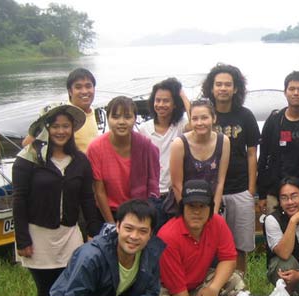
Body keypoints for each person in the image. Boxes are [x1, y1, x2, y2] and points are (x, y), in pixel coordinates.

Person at [13, 103, 101, 296]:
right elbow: (19, 200)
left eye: (66, 126)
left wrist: (94, 229)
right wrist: (22, 239)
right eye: (55, 126)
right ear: (46, 127)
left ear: (73, 130)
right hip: (37, 233)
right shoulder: (28, 159)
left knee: (72, 281)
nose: (61, 131)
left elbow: (87, 199)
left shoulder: (80, 161)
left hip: (69, 232)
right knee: (46, 287)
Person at [157, 179, 245, 296]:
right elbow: (177, 288)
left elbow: (228, 259)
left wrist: (214, 288)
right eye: (191, 206)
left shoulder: (217, 223)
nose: (197, 212)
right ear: (183, 208)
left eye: (202, 206)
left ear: (210, 208)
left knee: (235, 281)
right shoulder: (167, 236)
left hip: (198, 283)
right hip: (169, 289)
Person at [201, 63, 260, 274]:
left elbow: (252, 153)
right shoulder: (204, 116)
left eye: (228, 84)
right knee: (211, 244)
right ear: (211, 88)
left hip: (240, 189)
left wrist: (251, 190)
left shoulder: (245, 116)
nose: (223, 88)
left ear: (236, 88)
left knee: (240, 245)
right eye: (218, 84)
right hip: (210, 191)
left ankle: (241, 285)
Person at [87, 96, 159, 223]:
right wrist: (112, 225)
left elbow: (152, 183)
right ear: (108, 119)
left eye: (127, 117)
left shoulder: (145, 146)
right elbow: (99, 191)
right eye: (115, 117)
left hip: (139, 211)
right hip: (108, 213)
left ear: (135, 119)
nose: (121, 122)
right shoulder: (96, 148)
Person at [257, 71, 299, 215]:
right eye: (291, 89)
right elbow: (263, 156)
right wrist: (262, 194)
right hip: (276, 191)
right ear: (285, 92)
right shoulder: (275, 120)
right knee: (276, 233)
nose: (295, 93)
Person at [139, 78, 190, 228]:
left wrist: (183, 95)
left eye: (166, 101)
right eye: (157, 100)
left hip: (174, 194)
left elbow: (196, 122)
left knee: (174, 237)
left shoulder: (180, 126)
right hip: (153, 196)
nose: (161, 105)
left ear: (175, 104)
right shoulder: (144, 129)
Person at [169, 99, 230, 215]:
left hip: (209, 204)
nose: (199, 123)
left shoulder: (223, 142)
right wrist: (189, 214)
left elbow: (220, 181)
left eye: (204, 118)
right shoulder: (179, 144)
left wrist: (213, 213)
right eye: (195, 119)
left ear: (214, 118)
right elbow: (176, 185)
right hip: (182, 206)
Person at [22, 68, 99, 152]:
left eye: (88, 86)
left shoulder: (91, 110)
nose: (84, 91)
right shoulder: (62, 114)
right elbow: (27, 144)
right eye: (78, 87)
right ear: (70, 91)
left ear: (94, 88)